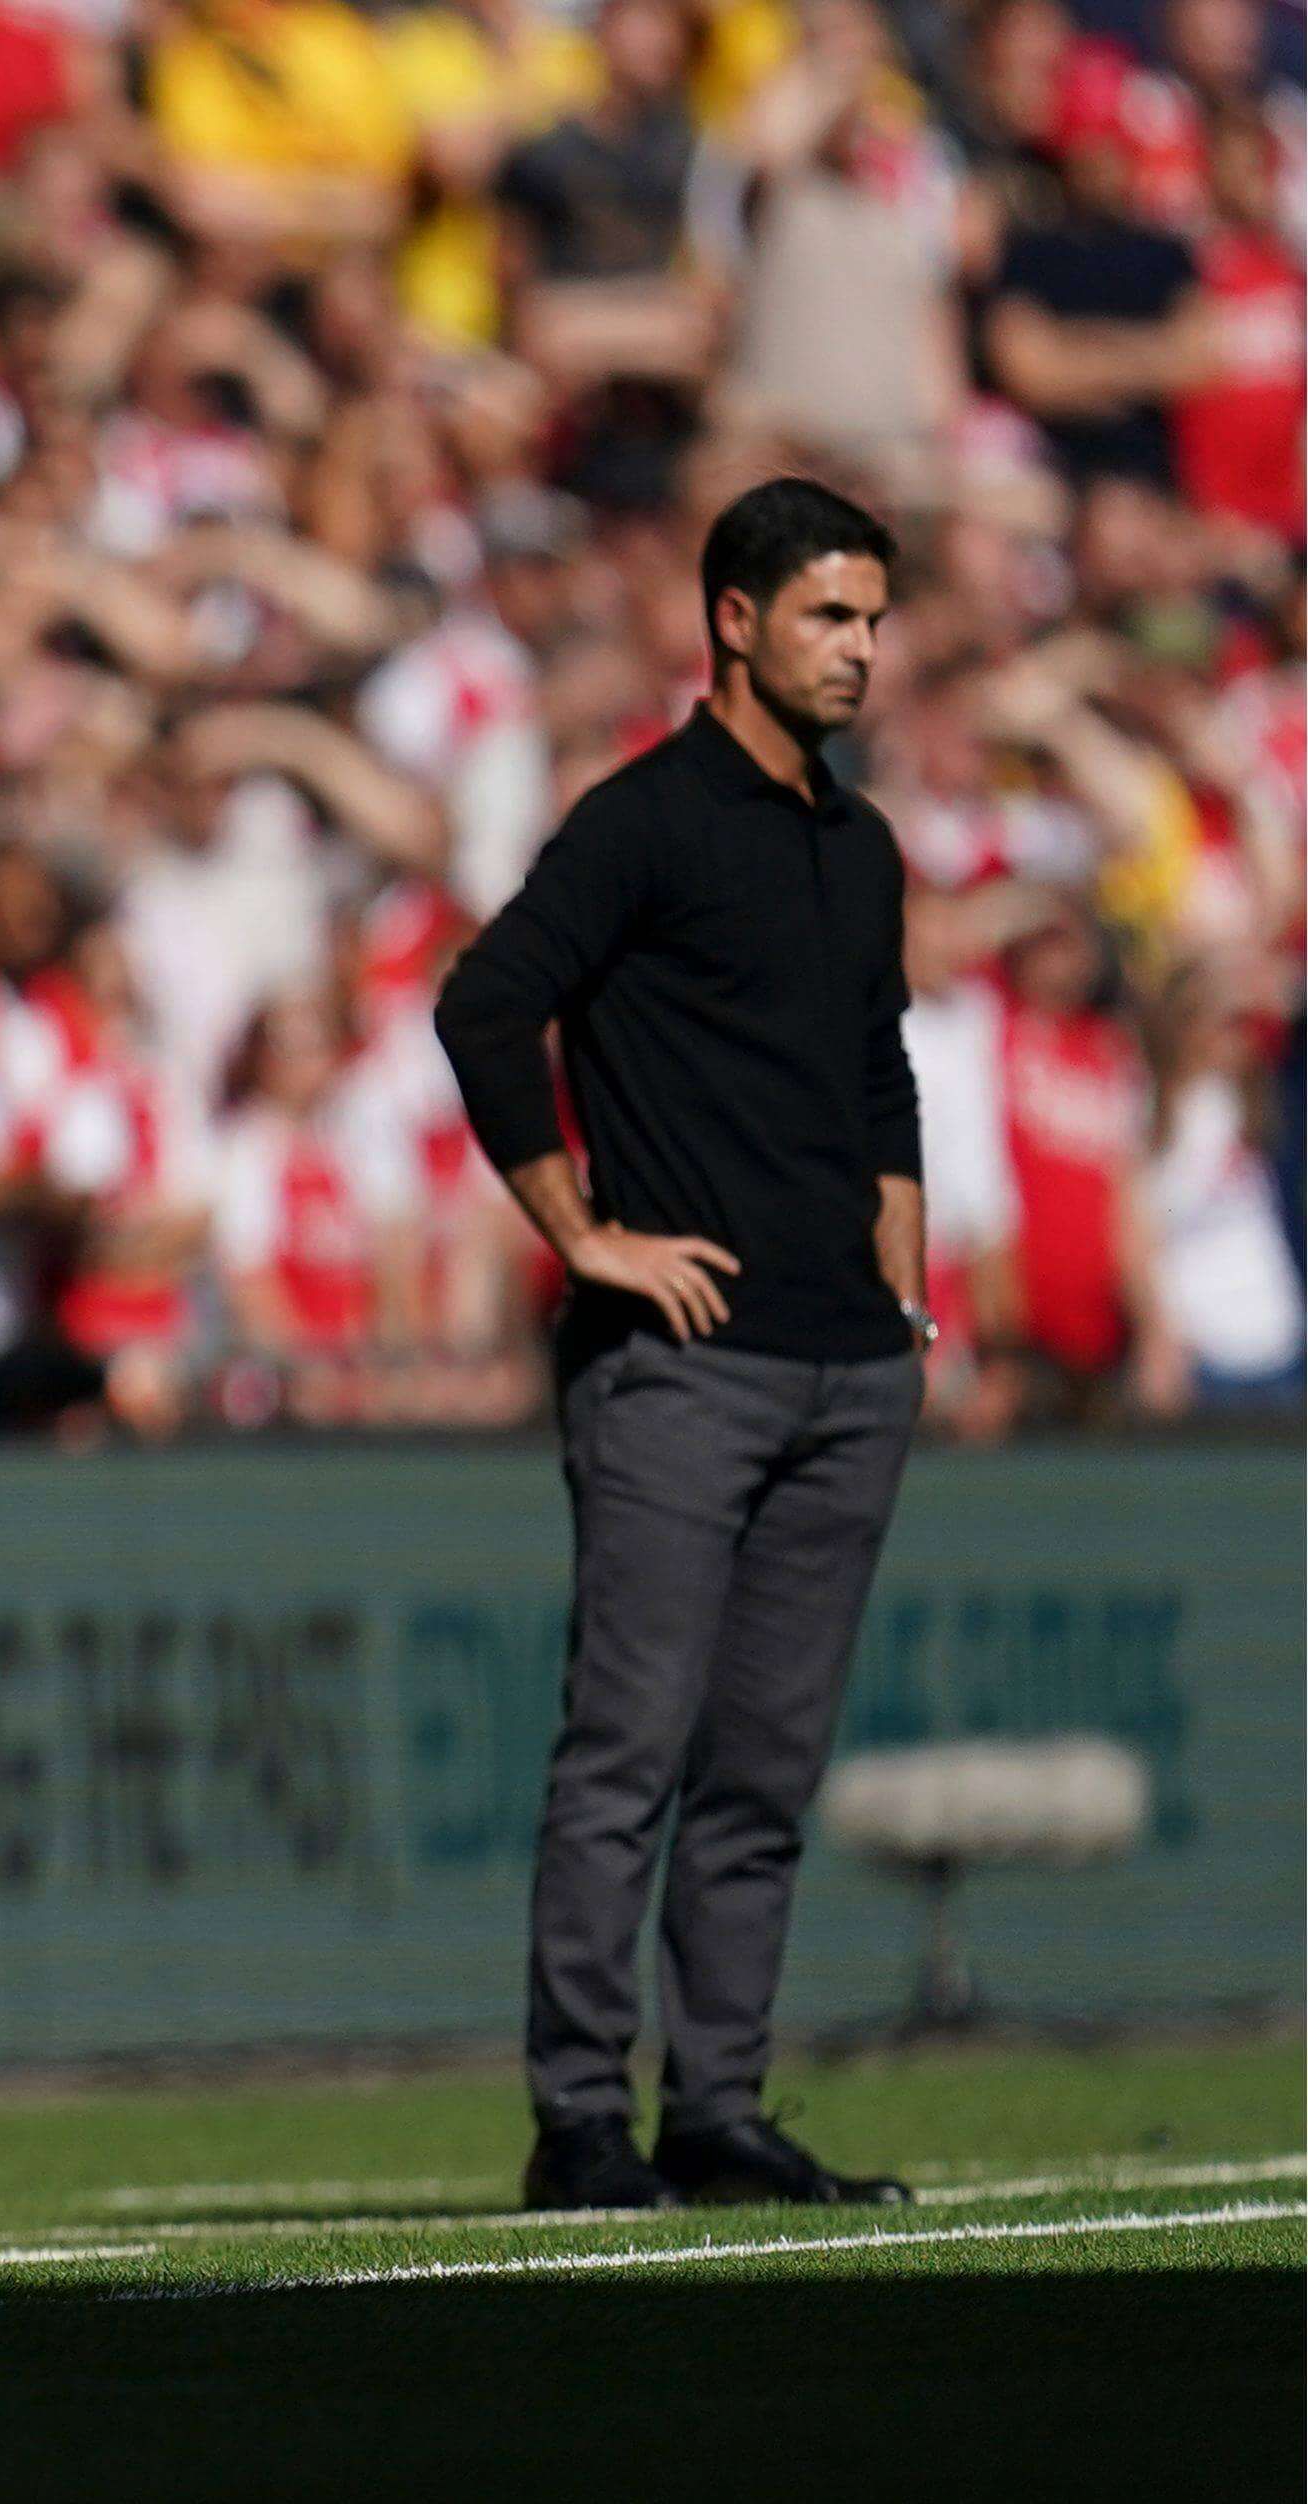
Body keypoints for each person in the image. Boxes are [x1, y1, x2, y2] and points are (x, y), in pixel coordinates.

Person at [435, 478, 928, 2213]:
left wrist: (905, 1294)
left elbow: (877, 1077)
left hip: (844, 1369)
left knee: (763, 1769)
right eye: (827, 616)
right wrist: (583, 1239)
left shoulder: (856, 846)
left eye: (872, 619)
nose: (860, 649)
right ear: (732, 618)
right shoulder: (640, 822)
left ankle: (715, 2106)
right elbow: (485, 1003)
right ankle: (581, 2116)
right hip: (682, 1364)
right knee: (627, 1746)